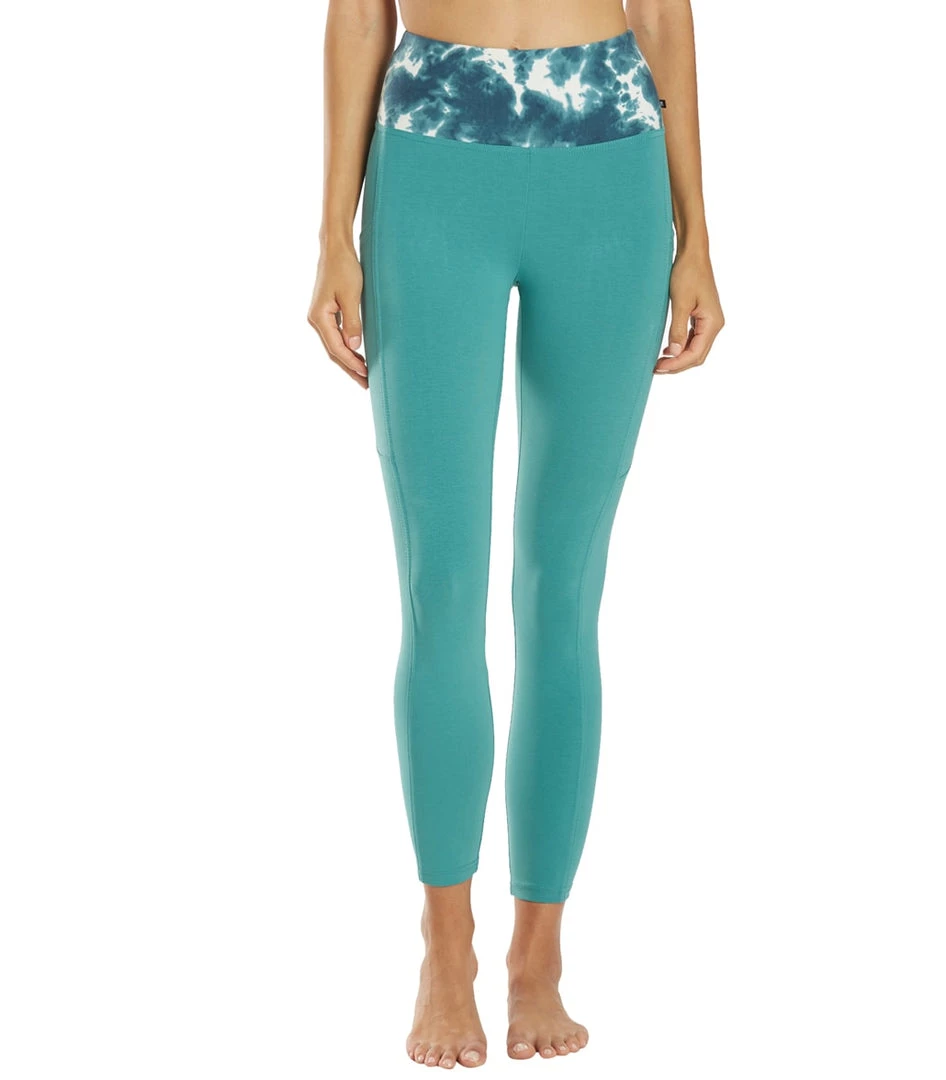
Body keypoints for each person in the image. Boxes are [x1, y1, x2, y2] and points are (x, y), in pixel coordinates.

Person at [308, 0, 724, 1068]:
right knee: (440, 586)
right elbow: (358, 15)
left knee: (561, 591)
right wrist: (331, 235)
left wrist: (697, 241)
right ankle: (445, 945)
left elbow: (662, 14)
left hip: (609, 165)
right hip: (432, 160)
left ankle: (537, 955)